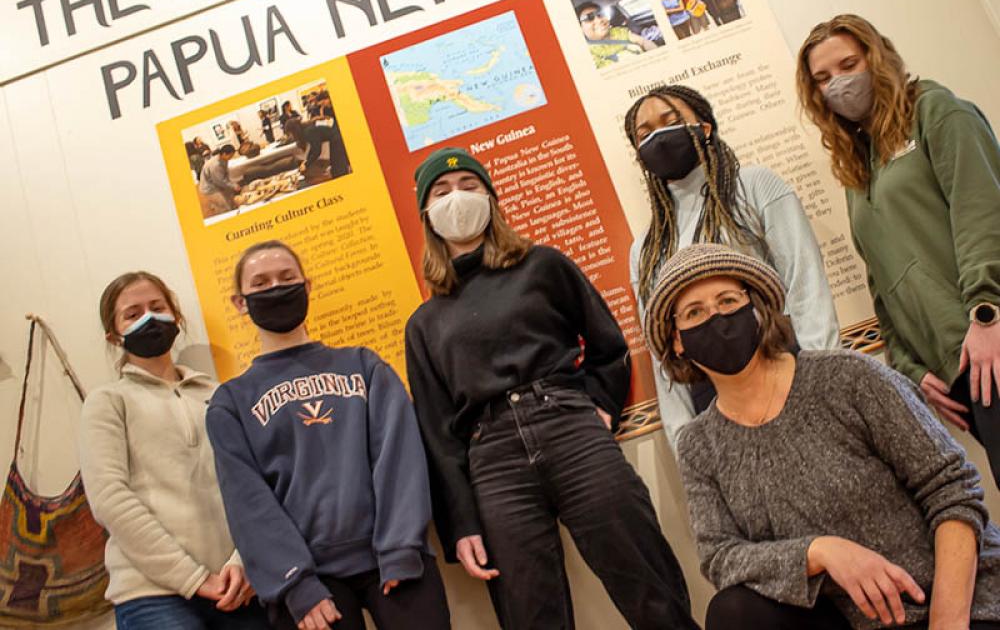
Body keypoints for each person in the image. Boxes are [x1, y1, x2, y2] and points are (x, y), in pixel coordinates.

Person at [404, 147, 698, 630]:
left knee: (645, 576)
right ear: (427, 215)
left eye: (469, 186)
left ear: (492, 198)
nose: (456, 198)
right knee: (529, 609)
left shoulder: (543, 265)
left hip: (569, 427)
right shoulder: (424, 324)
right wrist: (463, 524)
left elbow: (608, 346)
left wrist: (601, 407)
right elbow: (439, 435)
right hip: (491, 460)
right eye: (441, 191)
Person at [643, 243, 1000, 630]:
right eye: (694, 312)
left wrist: (948, 622)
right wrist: (819, 551)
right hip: (847, 619)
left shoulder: (848, 378)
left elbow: (953, 492)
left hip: (954, 604)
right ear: (677, 340)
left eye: (728, 301)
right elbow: (720, 555)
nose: (716, 318)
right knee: (732, 612)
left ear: (758, 309)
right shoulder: (699, 445)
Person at [796, 13, 1000, 487]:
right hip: (960, 366)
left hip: (988, 337)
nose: (838, 84)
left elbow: (982, 213)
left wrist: (987, 312)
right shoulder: (858, 166)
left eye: (848, 64)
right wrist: (911, 367)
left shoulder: (935, 111)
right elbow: (882, 282)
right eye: (823, 78)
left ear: (877, 55)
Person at [205, 241, 450, 630]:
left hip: (391, 557)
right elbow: (246, 499)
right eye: (261, 282)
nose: (276, 288)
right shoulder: (230, 402)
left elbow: (400, 458)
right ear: (240, 302)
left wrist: (401, 547)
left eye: (287, 278)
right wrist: (295, 582)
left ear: (307, 285)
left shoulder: (365, 366)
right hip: (308, 578)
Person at [624, 84, 839, 449]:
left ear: (704, 128)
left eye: (670, 122)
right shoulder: (645, 249)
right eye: (644, 134)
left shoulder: (753, 188)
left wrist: (825, 383)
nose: (657, 137)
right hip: (710, 401)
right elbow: (663, 352)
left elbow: (806, 287)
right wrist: (685, 443)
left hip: (786, 370)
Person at [79, 272, 269, 630]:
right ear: (113, 334)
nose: (149, 318)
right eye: (132, 314)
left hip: (237, 588)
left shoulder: (220, 395)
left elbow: (254, 483)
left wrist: (243, 562)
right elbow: (110, 499)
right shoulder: (107, 402)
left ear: (176, 317)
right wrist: (193, 578)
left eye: (157, 307)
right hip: (151, 594)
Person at [575, 1, 657, 69]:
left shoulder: (619, 31)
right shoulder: (586, 53)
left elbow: (643, 42)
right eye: (589, 18)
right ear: (580, 27)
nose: (599, 20)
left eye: (600, 14)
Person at [284, 115, 351, 180]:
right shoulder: (307, 129)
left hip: (337, 140)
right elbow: (313, 148)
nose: (290, 137)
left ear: (294, 131)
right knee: (338, 170)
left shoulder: (308, 132)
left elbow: (317, 151)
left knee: (339, 172)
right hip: (337, 139)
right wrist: (306, 161)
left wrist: (306, 164)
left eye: (289, 134)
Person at [197, 144, 241, 217]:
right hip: (209, 188)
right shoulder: (215, 165)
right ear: (224, 154)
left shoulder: (223, 158)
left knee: (230, 199)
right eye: (230, 155)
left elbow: (224, 175)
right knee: (224, 207)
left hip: (216, 184)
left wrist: (232, 185)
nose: (231, 157)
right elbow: (219, 181)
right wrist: (233, 185)